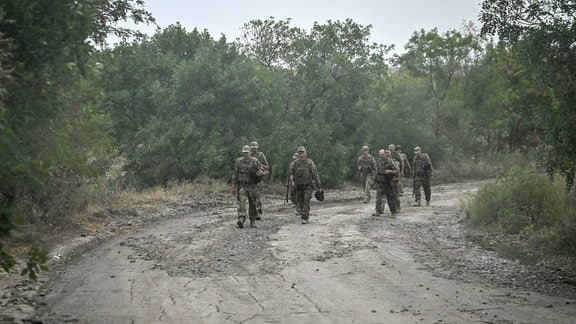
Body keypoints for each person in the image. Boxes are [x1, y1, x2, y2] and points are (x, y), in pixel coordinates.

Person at [233, 145, 267, 228]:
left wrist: (261, 174)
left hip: (252, 186)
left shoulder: (255, 161)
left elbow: (264, 171)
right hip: (242, 186)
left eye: (247, 153)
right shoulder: (238, 161)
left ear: (249, 153)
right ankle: (241, 218)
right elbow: (235, 174)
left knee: (253, 204)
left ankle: (252, 220)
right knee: (241, 202)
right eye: (244, 153)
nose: (245, 154)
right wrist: (234, 186)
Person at [288, 146, 322, 224]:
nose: (301, 154)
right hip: (298, 186)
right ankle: (302, 212)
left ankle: (305, 217)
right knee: (300, 202)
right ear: (298, 154)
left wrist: (319, 186)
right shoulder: (294, 164)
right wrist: (292, 181)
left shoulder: (310, 163)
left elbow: (315, 175)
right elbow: (291, 174)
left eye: (302, 152)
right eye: (299, 153)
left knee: (306, 201)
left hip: (307, 185)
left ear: (305, 153)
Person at [372, 149, 399, 216]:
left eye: (382, 154)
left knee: (390, 198)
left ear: (385, 154)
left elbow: (397, 170)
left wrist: (390, 171)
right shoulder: (378, 161)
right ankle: (378, 211)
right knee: (378, 198)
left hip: (388, 182)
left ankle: (393, 212)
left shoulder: (389, 161)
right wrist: (374, 181)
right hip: (380, 182)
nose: (381, 156)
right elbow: (377, 172)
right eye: (380, 154)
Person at [249, 141, 269, 220]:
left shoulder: (261, 156)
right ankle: (254, 211)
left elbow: (267, 167)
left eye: (255, 148)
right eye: (253, 148)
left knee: (258, 196)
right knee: (251, 197)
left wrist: (261, 166)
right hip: (250, 180)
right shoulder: (248, 156)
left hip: (259, 179)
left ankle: (258, 212)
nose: (254, 150)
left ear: (257, 148)